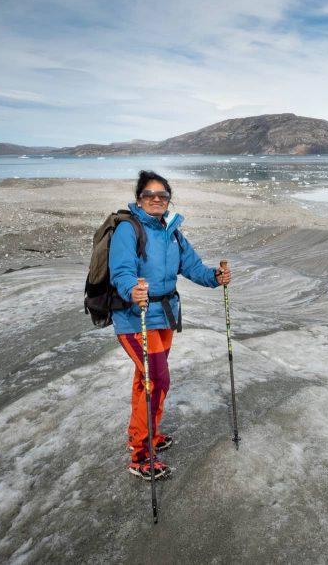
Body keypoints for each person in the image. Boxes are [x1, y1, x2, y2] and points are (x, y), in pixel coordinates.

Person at [109, 170, 232, 480]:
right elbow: (121, 271)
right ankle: (140, 452)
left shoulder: (172, 232)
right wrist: (130, 289)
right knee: (158, 381)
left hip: (164, 315)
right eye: (149, 194)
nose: (156, 199)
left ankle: (142, 433)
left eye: (162, 195)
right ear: (139, 199)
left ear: (168, 200)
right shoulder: (128, 229)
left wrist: (215, 277)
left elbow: (191, 267)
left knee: (146, 379)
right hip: (134, 317)